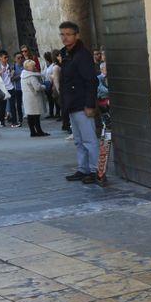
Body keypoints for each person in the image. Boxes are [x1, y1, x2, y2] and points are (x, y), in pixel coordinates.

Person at [59, 21, 100, 183]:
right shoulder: (67, 54)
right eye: (62, 34)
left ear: (76, 35)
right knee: (78, 140)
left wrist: (90, 104)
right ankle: (83, 169)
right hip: (72, 104)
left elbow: (91, 81)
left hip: (82, 104)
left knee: (89, 139)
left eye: (68, 34)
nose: (65, 37)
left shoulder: (82, 55)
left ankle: (96, 171)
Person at [21, 59, 50, 137]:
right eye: (33, 66)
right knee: (36, 116)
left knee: (30, 116)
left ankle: (33, 132)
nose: (34, 67)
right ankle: (39, 131)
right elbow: (37, 87)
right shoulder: (31, 76)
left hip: (27, 98)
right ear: (29, 67)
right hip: (34, 98)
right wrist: (44, 86)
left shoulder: (23, 75)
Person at [0, 51, 22, 127]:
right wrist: (0, 73)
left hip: (10, 87)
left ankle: (14, 122)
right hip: (2, 88)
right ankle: (1, 121)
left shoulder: (10, 66)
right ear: (0, 58)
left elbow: (11, 76)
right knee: (3, 106)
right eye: (5, 57)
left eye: (7, 57)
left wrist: (12, 74)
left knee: (12, 105)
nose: (6, 59)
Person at [42, 51, 60, 120]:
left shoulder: (53, 66)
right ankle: (51, 112)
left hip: (52, 83)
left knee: (55, 98)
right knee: (50, 99)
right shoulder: (46, 65)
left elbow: (53, 75)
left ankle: (58, 113)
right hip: (46, 83)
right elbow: (43, 73)